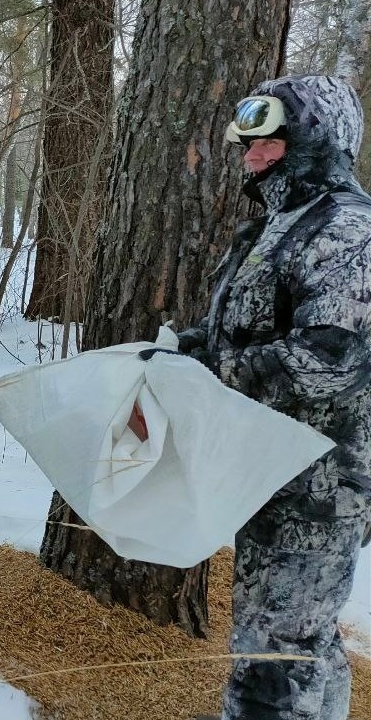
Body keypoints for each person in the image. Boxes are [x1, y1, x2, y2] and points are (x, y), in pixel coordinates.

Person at [178, 75, 371, 720]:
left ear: (315, 144)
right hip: (271, 472)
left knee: (272, 660)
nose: (251, 157)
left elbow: (328, 360)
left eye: (270, 144)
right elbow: (250, 328)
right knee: (301, 642)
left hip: (320, 487)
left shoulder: (346, 231)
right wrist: (187, 350)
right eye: (247, 144)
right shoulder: (282, 225)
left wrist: (216, 369)